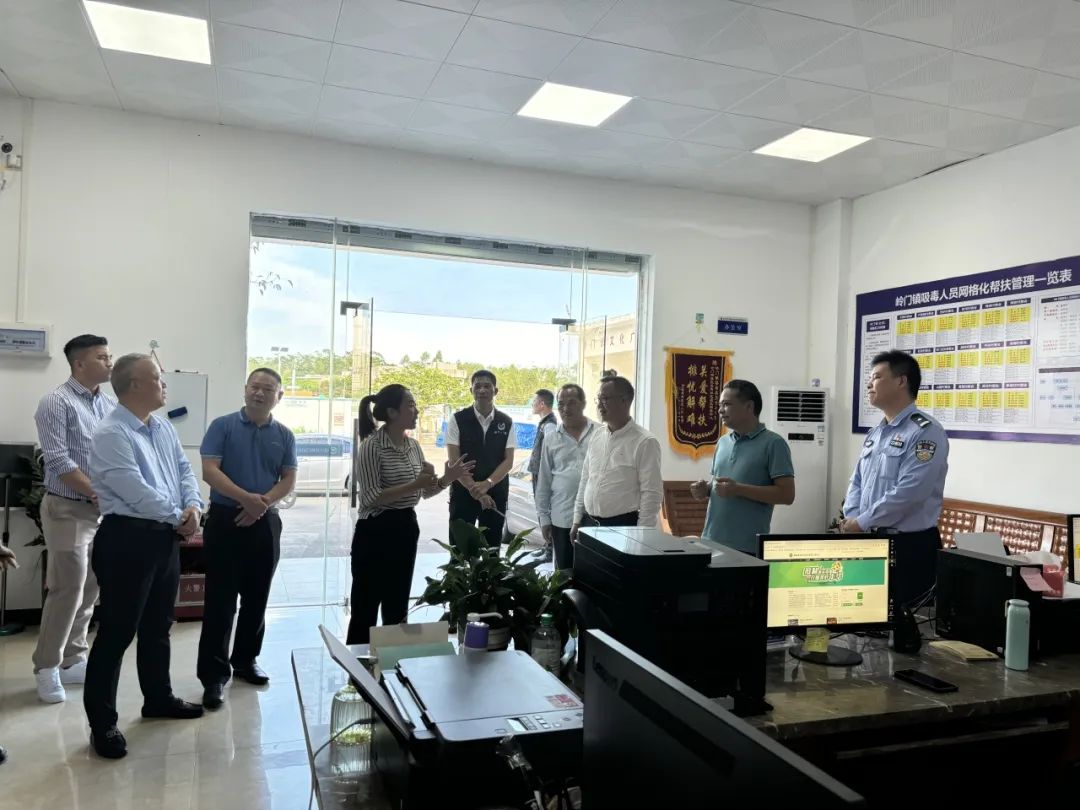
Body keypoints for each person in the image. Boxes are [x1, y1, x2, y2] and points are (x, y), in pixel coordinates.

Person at [84, 354, 205, 759]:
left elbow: (184, 472)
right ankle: (102, 724)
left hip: (164, 538)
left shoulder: (163, 427)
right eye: (156, 377)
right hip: (127, 539)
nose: (163, 383)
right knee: (117, 632)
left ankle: (158, 698)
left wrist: (193, 507)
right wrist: (179, 517)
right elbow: (133, 490)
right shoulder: (111, 433)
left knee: (158, 626)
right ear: (134, 385)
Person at [196, 368, 297, 711]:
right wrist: (247, 500)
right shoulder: (222, 426)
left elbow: (288, 478)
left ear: (278, 396)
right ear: (245, 389)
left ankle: (245, 661)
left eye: (268, 389)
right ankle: (213, 676)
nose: (260, 393)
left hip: (265, 522)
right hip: (226, 520)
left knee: (257, 597)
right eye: (255, 386)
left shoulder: (284, 435)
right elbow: (210, 470)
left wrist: (261, 504)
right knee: (220, 601)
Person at [348, 384, 474, 644]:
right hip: (375, 531)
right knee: (365, 606)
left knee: (397, 605)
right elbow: (370, 497)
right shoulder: (372, 446)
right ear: (392, 412)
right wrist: (415, 484)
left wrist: (447, 478)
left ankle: (393, 663)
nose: (416, 411)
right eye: (411, 405)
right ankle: (358, 667)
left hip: (405, 526)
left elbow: (425, 492)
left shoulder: (413, 446)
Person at [31, 334, 114, 704]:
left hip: (100, 510)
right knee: (68, 586)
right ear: (80, 363)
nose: (110, 362)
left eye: (109, 356)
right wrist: (97, 492)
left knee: (91, 584)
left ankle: (72, 659)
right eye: (102, 357)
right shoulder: (56, 402)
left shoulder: (107, 404)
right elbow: (58, 460)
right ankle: (46, 666)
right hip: (67, 507)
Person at [841, 350, 950, 609]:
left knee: (905, 624)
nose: (869, 384)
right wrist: (853, 518)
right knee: (862, 615)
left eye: (877, 377)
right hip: (867, 538)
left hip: (908, 547)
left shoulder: (926, 432)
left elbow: (910, 492)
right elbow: (857, 481)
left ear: (901, 381)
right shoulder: (876, 432)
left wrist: (861, 522)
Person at [690, 380, 795, 554]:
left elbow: (787, 495)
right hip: (711, 541)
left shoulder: (774, 443)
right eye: (720, 405)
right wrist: (705, 489)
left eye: (726, 404)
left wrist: (738, 489)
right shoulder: (722, 442)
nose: (720, 410)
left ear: (749, 407)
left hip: (747, 548)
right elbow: (719, 485)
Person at [571, 376, 662, 540]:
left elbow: (651, 494)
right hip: (589, 524)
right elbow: (586, 479)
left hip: (623, 528)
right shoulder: (597, 435)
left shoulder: (645, 442)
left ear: (624, 401)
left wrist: (641, 536)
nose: (599, 405)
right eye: (598, 399)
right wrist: (577, 519)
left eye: (605, 399)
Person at [444, 370, 516, 548]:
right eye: (477, 386)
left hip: (495, 494)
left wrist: (487, 484)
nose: (482, 390)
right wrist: (476, 490)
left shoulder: (506, 422)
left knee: (491, 549)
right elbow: (454, 461)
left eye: (487, 386)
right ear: (471, 390)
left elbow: (508, 461)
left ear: (495, 391)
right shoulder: (457, 419)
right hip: (463, 493)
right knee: (460, 549)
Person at [536, 384, 596, 570]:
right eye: (561, 404)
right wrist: (544, 519)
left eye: (571, 403)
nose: (565, 408)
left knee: (594, 573)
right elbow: (544, 481)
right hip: (562, 517)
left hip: (595, 516)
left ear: (583, 404)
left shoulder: (600, 433)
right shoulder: (551, 438)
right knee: (564, 574)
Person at [527, 388, 558, 561]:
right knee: (542, 509)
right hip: (538, 473)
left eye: (534, 402)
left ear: (542, 404)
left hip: (543, 474)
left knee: (545, 509)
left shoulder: (550, 425)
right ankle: (547, 545)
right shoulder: (545, 423)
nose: (532, 405)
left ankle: (550, 550)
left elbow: (551, 452)